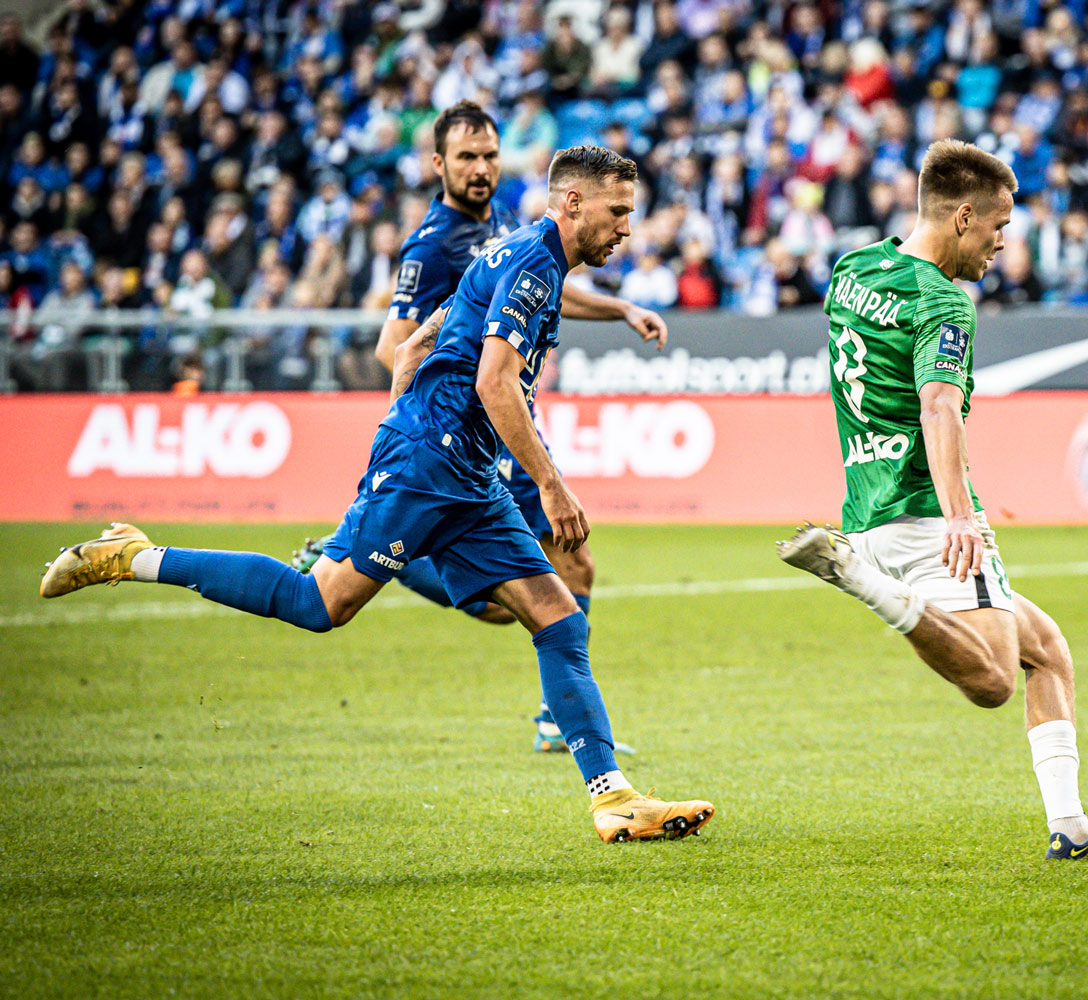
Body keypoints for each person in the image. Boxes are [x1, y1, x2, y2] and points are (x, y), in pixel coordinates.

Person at [40, 146, 714, 845]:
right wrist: (546, 482)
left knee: (557, 617)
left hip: (464, 473)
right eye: (617, 212)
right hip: (434, 465)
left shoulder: (514, 254)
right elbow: (492, 381)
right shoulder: (531, 265)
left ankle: (613, 800)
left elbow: (416, 343)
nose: (627, 228)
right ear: (572, 203)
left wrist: (405, 417)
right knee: (319, 604)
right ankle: (135, 556)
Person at [777, 140, 1088, 860]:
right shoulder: (943, 301)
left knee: (1048, 651)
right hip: (923, 514)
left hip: (868, 506)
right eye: (999, 225)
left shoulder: (852, 270)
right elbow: (938, 407)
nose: (1004, 243)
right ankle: (858, 580)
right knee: (995, 680)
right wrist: (961, 516)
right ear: (964, 216)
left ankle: (1069, 826)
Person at [292, 102, 667, 753]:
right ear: (438, 165)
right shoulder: (432, 245)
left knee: (572, 565)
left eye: (491, 155)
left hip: (496, 423)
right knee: (510, 599)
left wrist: (619, 307)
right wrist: (437, 418)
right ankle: (384, 555)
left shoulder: (502, 227)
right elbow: (398, 345)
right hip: (466, 431)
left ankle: (557, 717)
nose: (482, 168)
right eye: (467, 157)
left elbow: (546, 285)